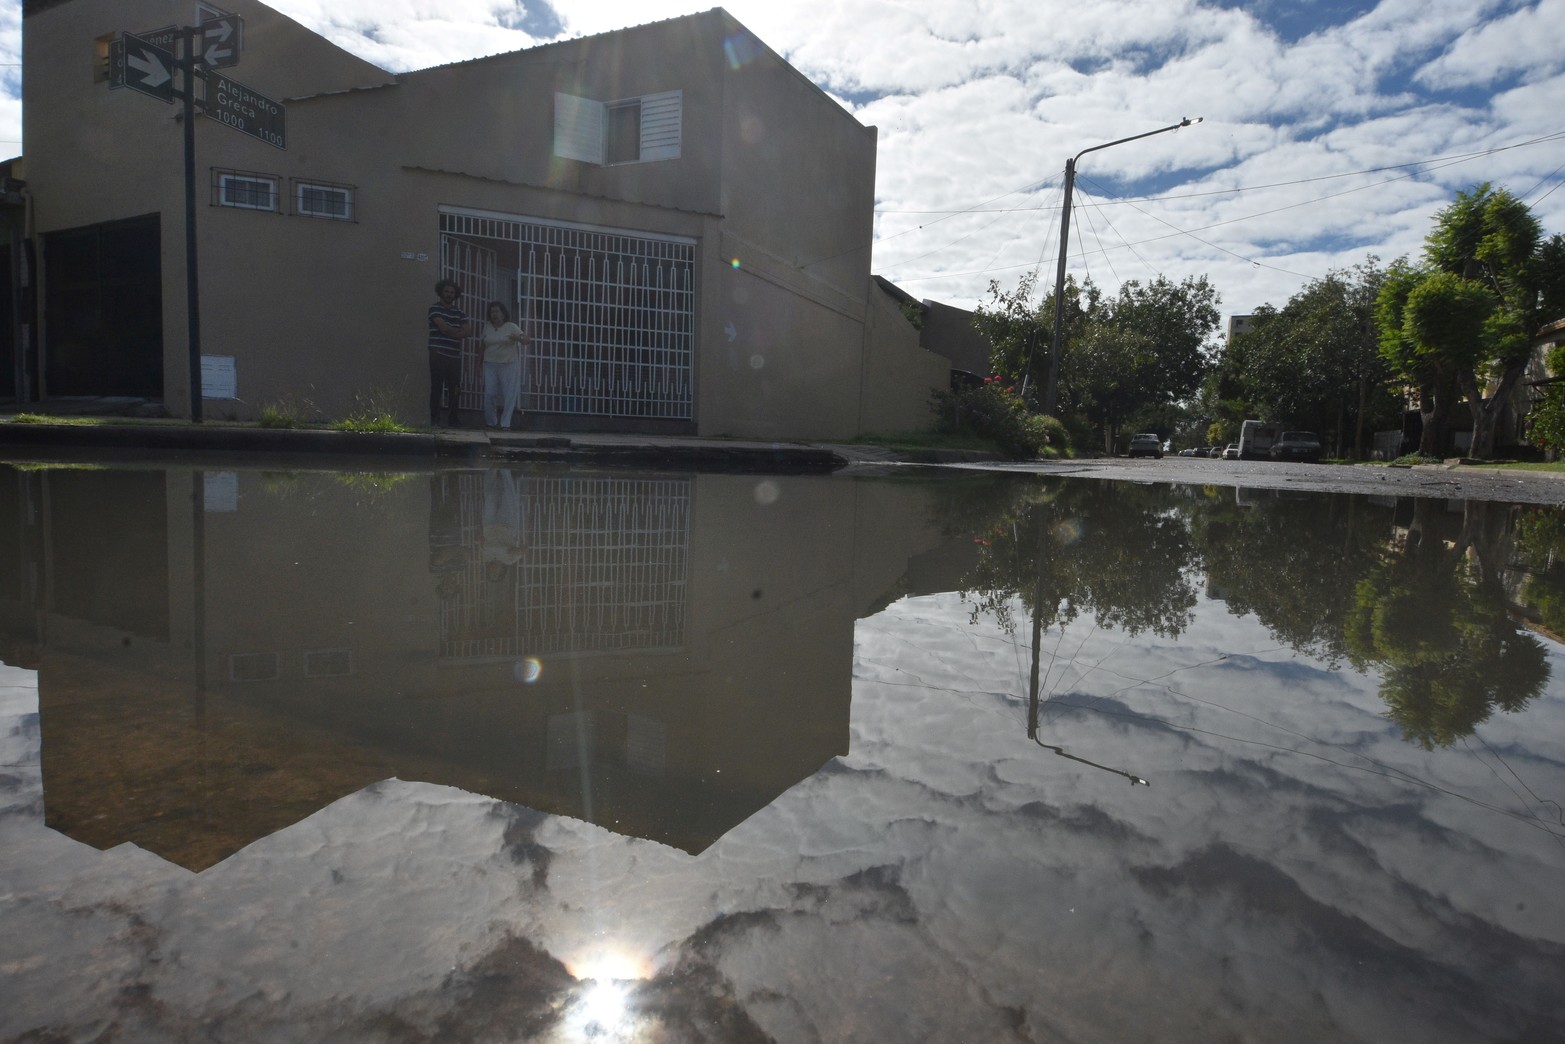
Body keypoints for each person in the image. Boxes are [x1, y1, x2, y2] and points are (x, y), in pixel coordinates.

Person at [427, 279, 476, 427]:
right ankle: (435, 420)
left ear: (455, 295)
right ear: (441, 292)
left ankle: (453, 419)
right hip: (438, 353)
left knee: (455, 388)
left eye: (452, 292)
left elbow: (469, 331)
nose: (449, 294)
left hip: (454, 356)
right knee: (437, 387)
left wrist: (451, 331)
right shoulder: (434, 309)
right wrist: (457, 332)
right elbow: (444, 328)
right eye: (447, 291)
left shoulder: (459, 313)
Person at [480, 301, 530, 429]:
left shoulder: (511, 326)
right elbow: (482, 346)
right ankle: (491, 422)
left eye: (497, 311)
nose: (494, 314)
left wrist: (521, 338)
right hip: (490, 364)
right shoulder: (487, 327)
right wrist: (478, 363)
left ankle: (505, 424)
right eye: (492, 312)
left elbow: (525, 339)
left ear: (503, 313)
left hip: (508, 364)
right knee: (490, 393)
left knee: (509, 394)